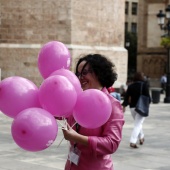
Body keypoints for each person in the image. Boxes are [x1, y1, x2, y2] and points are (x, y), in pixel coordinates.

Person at [62, 54, 124, 170]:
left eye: (84, 73)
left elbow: (112, 144)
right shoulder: (76, 99)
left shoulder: (112, 104)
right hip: (72, 166)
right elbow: (61, 114)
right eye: (78, 74)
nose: (80, 78)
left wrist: (77, 137)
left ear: (99, 73)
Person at [122, 72, 151, 149]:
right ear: (142, 77)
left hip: (132, 108)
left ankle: (141, 137)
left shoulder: (131, 86)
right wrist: (148, 105)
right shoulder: (144, 85)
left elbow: (127, 97)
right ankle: (133, 141)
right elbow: (148, 97)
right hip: (141, 107)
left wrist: (124, 105)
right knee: (137, 124)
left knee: (138, 123)